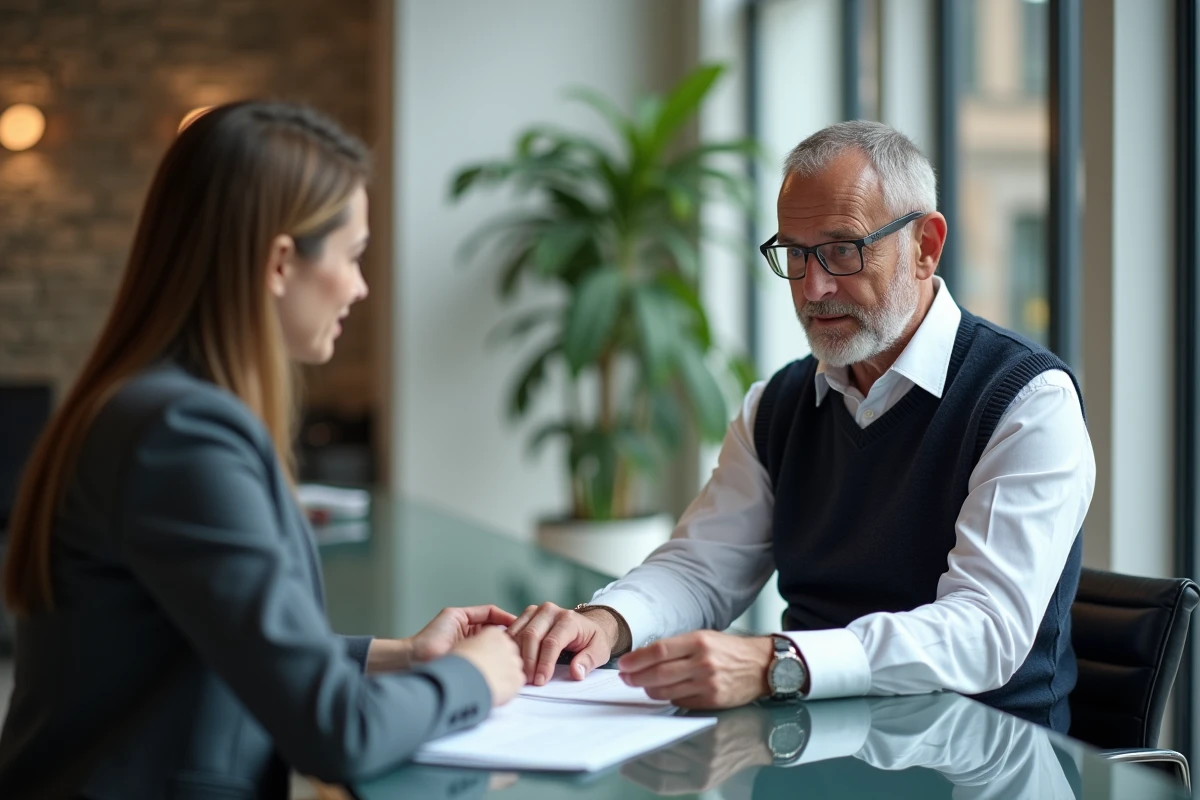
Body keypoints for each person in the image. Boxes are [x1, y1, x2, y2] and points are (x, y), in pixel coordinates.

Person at [0, 101, 523, 800]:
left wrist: (401, 656)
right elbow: (335, 732)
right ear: (280, 262)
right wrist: (475, 677)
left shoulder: (153, 408)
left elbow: (213, 643)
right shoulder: (180, 435)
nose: (361, 287)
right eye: (353, 256)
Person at [507, 120, 1095, 732]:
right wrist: (607, 622)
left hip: (982, 757)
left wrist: (778, 663)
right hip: (812, 743)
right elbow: (700, 570)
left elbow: (984, 631)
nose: (813, 287)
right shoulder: (779, 406)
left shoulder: (1027, 401)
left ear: (925, 245)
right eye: (795, 253)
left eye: (842, 249)